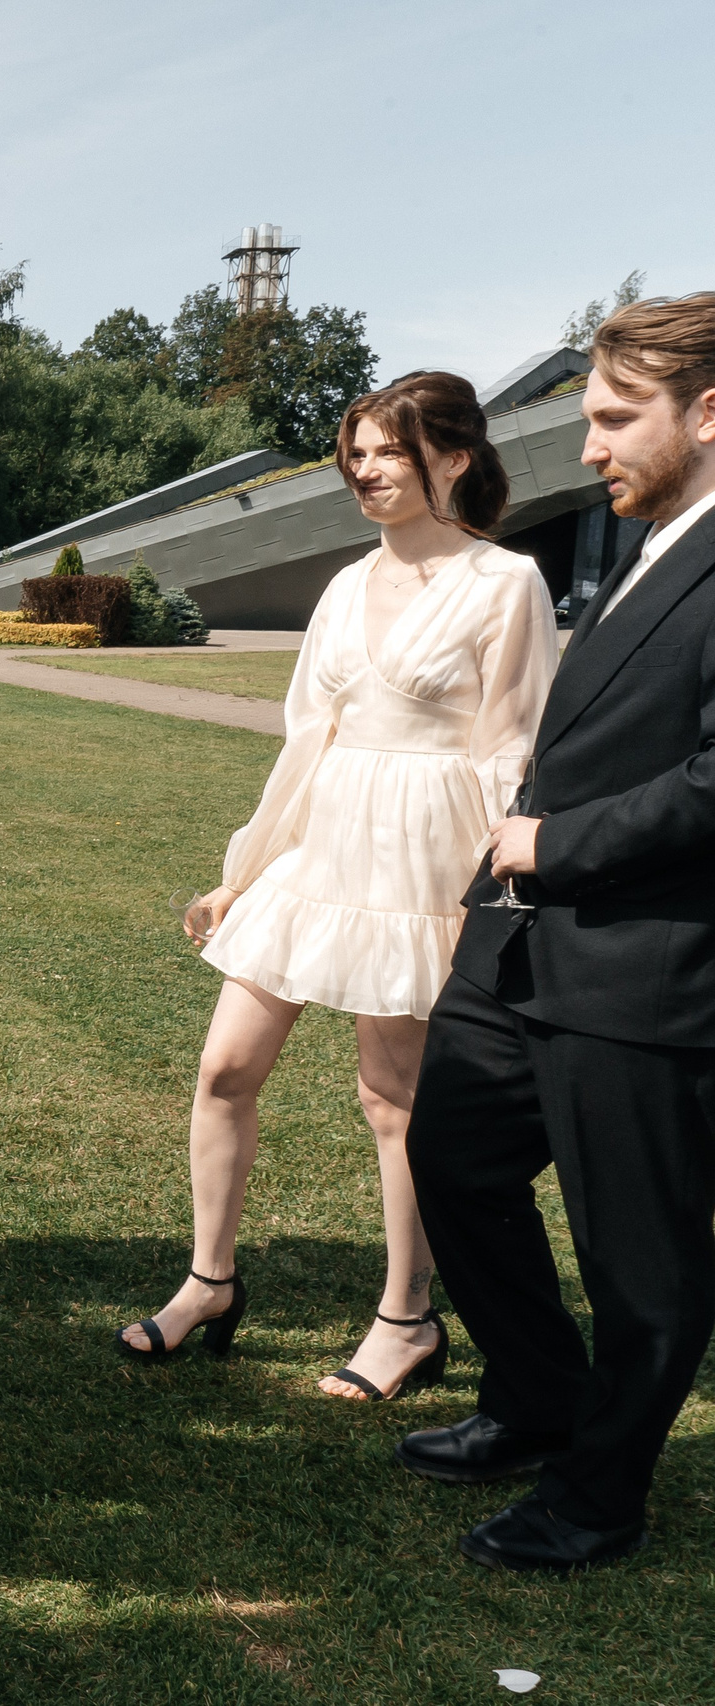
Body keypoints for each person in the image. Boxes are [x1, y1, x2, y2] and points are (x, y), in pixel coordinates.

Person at [117, 371, 556, 1406]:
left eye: (388, 449)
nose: (364, 469)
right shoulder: (343, 585)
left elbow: (511, 750)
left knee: (392, 1099)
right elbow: (302, 744)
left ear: (454, 457)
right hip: (321, 845)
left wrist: (490, 897)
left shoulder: (507, 582)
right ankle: (209, 1282)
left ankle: (407, 1317)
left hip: (427, 858)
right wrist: (245, 872)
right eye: (354, 452)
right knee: (225, 1068)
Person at [399, 295, 715, 1572]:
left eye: (616, 418)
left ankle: (597, 1495)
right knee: (451, 1157)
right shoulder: (647, 534)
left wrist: (555, 842)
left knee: (640, 1261)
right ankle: (535, 1396)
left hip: (643, 960)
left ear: (709, 411)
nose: (589, 446)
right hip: (520, 945)